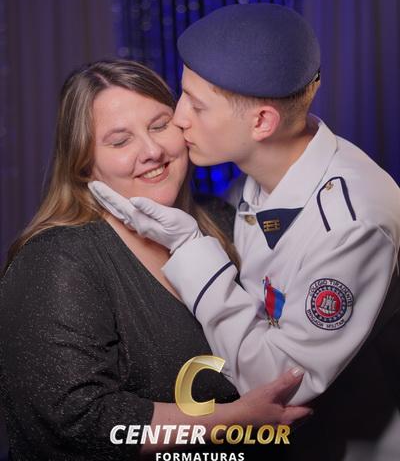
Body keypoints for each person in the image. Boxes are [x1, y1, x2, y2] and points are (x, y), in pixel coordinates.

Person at [90, 4, 400, 461]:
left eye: (196, 105)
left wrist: (188, 247)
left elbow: (275, 386)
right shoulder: (255, 178)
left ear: (261, 122)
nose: (178, 118)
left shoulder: (351, 224)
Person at [0, 59, 310, 461]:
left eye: (160, 125)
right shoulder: (57, 260)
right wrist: (233, 419)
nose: (152, 152)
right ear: (84, 165)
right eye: (119, 141)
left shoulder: (222, 220)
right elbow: (79, 420)